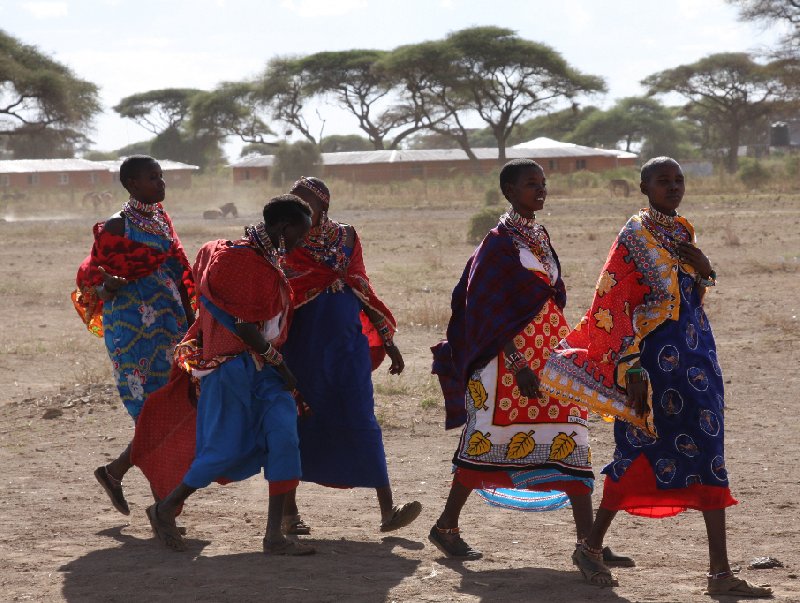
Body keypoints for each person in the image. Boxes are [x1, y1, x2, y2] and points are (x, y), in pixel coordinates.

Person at [539, 157, 772, 597]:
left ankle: (719, 573)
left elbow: (694, 295)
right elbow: (614, 306)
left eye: (679, 180)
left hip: (697, 359)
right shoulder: (633, 237)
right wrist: (630, 367)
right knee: (640, 452)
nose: (673, 187)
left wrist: (707, 269)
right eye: (663, 181)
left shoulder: (683, 231)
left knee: (709, 451)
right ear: (643, 185)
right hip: (652, 368)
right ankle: (591, 545)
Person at [429, 159, 630, 566]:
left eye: (542, 183)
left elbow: (551, 299)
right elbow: (483, 310)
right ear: (508, 191)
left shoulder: (539, 236)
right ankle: (446, 527)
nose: (540, 190)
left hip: (552, 359)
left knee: (572, 437)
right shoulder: (498, 244)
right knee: (486, 440)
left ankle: (587, 542)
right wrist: (518, 362)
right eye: (529, 184)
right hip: (506, 362)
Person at [145, 194, 314, 555]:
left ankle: (274, 536)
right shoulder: (235, 258)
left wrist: (275, 364)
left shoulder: (266, 257)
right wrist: (280, 364)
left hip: (265, 371)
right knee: (222, 449)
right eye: (301, 232)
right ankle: (164, 508)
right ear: (283, 227)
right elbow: (243, 325)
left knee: (285, 438)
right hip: (232, 370)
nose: (304, 240)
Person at [279, 176, 422, 534]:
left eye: (306, 203)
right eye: (293, 201)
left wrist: (387, 340)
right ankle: (288, 514)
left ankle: (388, 510)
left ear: (323, 207)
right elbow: (277, 291)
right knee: (296, 422)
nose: (297, 208)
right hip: (302, 347)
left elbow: (360, 285)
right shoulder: (283, 239)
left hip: (347, 346)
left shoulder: (347, 236)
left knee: (362, 417)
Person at [72, 155, 195, 516]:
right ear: (131, 184)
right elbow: (93, 282)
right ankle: (164, 505)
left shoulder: (161, 221)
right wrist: (109, 285)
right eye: (152, 178)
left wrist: (191, 323)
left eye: (162, 176)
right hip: (130, 328)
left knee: (174, 409)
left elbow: (179, 272)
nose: (161, 183)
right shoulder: (116, 226)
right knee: (150, 414)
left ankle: (115, 473)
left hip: (169, 327)